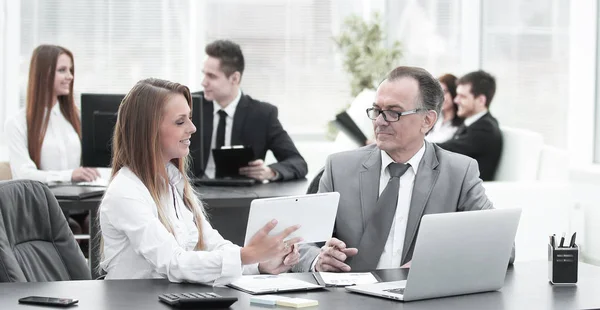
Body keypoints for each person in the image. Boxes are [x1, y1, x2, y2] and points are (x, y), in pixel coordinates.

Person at [293, 66, 514, 273]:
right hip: (347, 297)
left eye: (393, 112)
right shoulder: (338, 168)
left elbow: (504, 246)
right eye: (377, 110)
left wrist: (437, 260)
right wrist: (317, 260)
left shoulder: (459, 172)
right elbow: (299, 243)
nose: (380, 121)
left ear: (427, 120)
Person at [99, 78, 302, 284]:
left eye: (190, 118)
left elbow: (212, 245)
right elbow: (173, 263)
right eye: (180, 121)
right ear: (148, 130)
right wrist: (247, 255)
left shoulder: (173, 182)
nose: (192, 127)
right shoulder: (125, 192)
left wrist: (259, 263)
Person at [4, 44, 100, 235]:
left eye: (71, 70)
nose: (70, 76)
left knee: (99, 223)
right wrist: (69, 175)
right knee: (69, 227)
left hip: (81, 205)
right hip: (43, 208)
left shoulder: (78, 118)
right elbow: (24, 174)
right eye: (62, 70)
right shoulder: (17, 123)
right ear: (44, 74)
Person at [193, 39, 307, 181]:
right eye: (204, 74)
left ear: (234, 78)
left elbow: (298, 162)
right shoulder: (189, 106)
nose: (203, 82)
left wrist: (269, 172)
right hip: (194, 194)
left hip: (241, 197)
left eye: (211, 76)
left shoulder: (263, 114)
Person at [437, 70, 502, 181]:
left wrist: (412, 146)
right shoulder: (473, 124)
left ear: (481, 100)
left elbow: (446, 150)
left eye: (462, 96)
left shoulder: (485, 128)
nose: (456, 100)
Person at [425, 74, 463, 143]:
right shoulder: (433, 119)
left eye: (444, 92)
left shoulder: (462, 125)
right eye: (438, 93)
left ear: (454, 93)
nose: (440, 98)